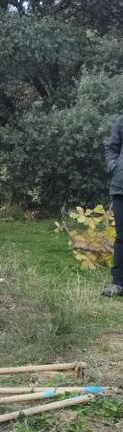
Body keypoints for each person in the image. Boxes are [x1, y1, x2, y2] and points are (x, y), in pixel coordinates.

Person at [102, 111, 123, 296]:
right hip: (121, 188)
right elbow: (111, 148)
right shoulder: (121, 120)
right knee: (122, 238)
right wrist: (114, 166)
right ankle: (118, 284)